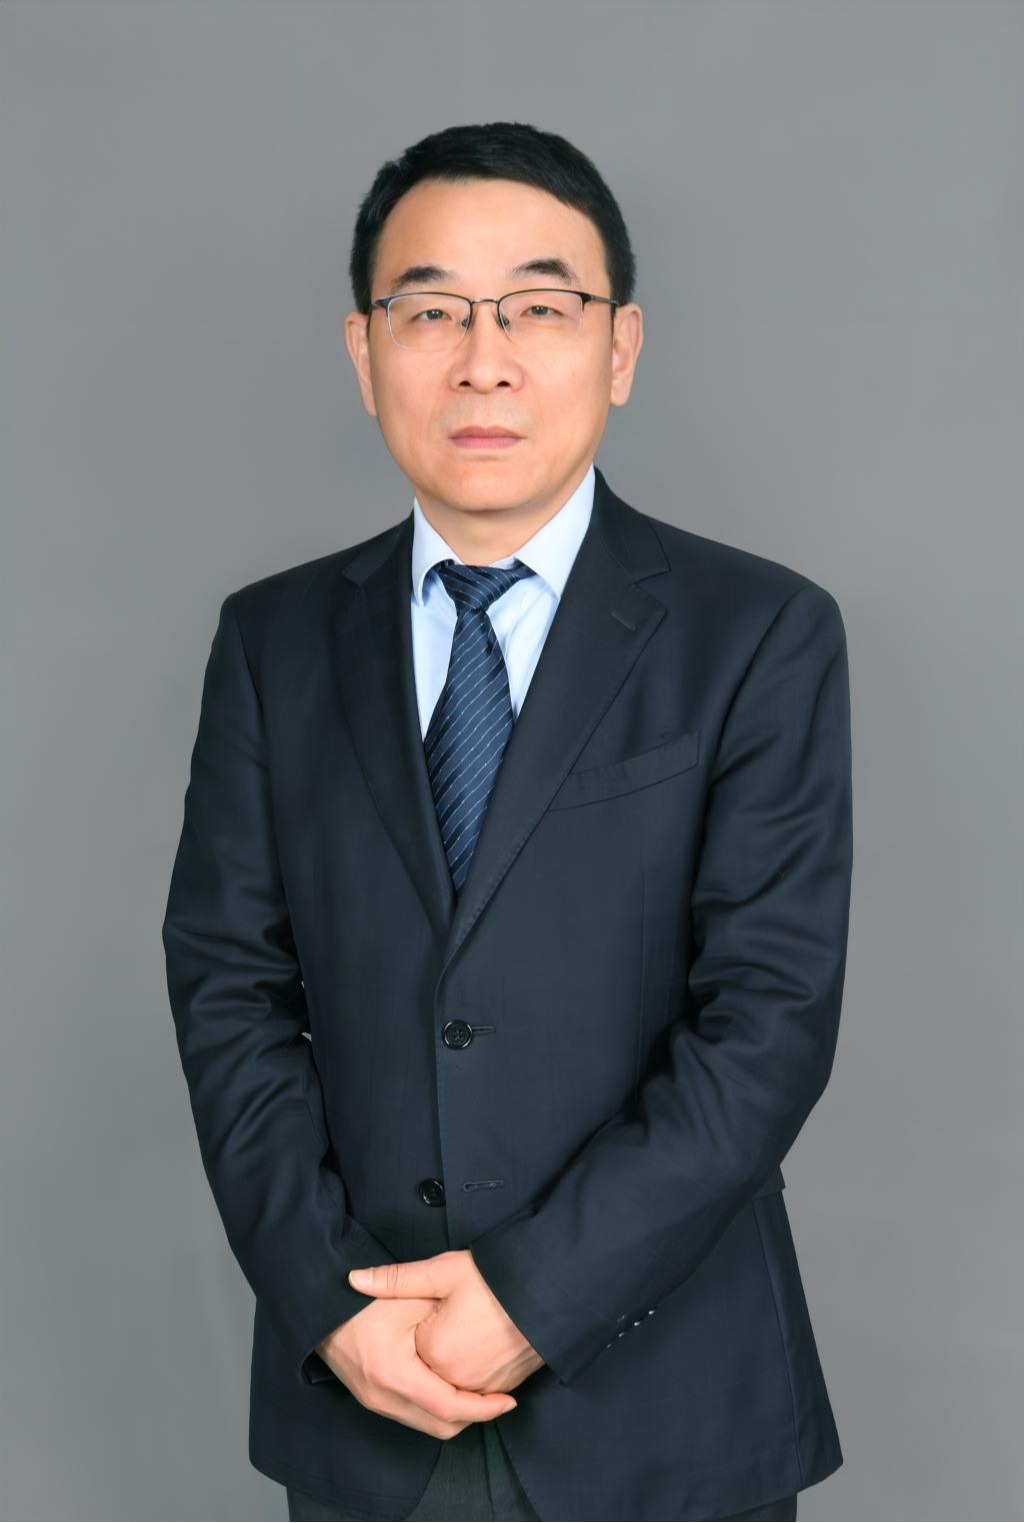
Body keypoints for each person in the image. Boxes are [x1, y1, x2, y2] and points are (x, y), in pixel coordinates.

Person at [162, 121, 852, 1523]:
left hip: (666, 1411)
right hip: (368, 1402)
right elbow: (228, 988)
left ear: (620, 347)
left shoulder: (757, 633)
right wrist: (330, 1303)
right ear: (365, 355)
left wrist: (530, 1300)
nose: (484, 360)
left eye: (540, 308)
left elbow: (768, 1021)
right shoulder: (273, 643)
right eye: (430, 313)